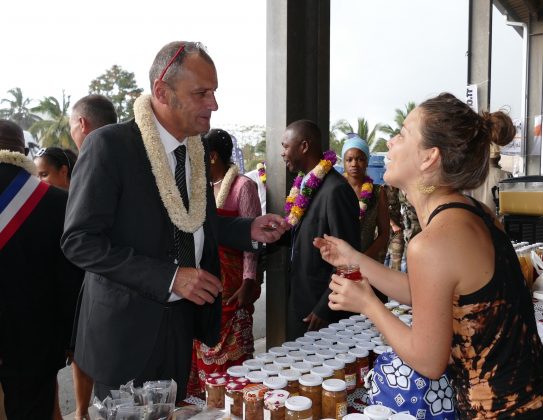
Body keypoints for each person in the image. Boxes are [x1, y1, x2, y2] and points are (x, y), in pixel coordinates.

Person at [60, 41, 288, 402]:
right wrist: (170, 277)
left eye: (214, 92)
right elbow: (79, 241)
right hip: (125, 337)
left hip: (180, 328)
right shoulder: (110, 146)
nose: (214, 104)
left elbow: (194, 222)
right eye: (201, 93)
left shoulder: (195, 149)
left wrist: (247, 229)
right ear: (162, 92)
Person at [314, 93, 543, 419]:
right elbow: (428, 291)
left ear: (429, 158)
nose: (391, 142)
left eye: (403, 134)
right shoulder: (473, 212)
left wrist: (369, 304)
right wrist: (354, 258)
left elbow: (428, 361)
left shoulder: (433, 242)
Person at [0, 120, 83, 418]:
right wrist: (72, 340)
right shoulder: (58, 202)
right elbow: (72, 280)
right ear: (23, 152)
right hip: (35, 342)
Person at [188, 128, 262, 395]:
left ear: (212, 157)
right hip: (204, 284)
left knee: (234, 367)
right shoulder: (199, 187)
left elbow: (253, 240)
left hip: (233, 289)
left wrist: (248, 281)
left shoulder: (244, 186)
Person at [281, 119, 360, 340]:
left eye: (286, 146)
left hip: (323, 311)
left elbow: (350, 258)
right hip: (301, 301)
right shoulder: (302, 184)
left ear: (304, 146)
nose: (282, 153)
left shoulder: (336, 190)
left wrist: (326, 306)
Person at [68, 94, 118, 420]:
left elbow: (78, 241)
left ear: (82, 124)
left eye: (71, 126)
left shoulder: (94, 154)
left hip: (108, 289)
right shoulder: (138, 153)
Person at [341, 135, 389, 262]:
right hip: (337, 261)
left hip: (367, 261)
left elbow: (384, 234)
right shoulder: (335, 190)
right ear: (343, 163)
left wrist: (362, 260)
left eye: (360, 159)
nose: (354, 164)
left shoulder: (378, 192)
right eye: (349, 160)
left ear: (367, 161)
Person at [466, 143, 510, 215]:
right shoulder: (505, 175)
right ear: (498, 158)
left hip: (474, 218)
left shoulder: (470, 176)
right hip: (496, 220)